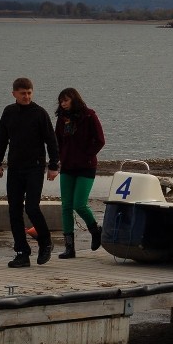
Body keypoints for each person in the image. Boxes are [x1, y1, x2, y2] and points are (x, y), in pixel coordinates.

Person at [0, 77, 59, 268]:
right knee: (13, 210)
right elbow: (2, 139)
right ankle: (22, 252)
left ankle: (45, 242)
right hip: (15, 168)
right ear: (14, 93)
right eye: (23, 93)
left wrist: (53, 166)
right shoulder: (9, 112)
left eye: (29, 93)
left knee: (31, 207)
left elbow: (51, 141)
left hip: (35, 168)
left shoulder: (40, 113)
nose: (27, 96)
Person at [54, 88, 106, 259]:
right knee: (66, 206)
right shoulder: (62, 119)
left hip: (86, 166)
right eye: (61, 101)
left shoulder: (89, 116)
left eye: (66, 100)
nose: (63, 103)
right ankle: (70, 248)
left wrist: (86, 155)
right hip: (68, 167)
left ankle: (95, 230)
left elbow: (100, 140)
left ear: (74, 99)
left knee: (79, 204)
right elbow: (57, 141)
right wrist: (58, 158)